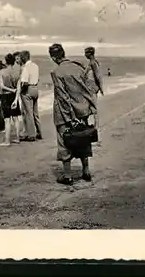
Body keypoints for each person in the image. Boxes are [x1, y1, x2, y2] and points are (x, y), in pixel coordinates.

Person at [49, 44, 97, 185]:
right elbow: (89, 88)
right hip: (83, 109)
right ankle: (86, 171)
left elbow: (63, 97)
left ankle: (68, 175)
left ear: (53, 57)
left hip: (65, 114)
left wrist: (69, 117)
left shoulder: (56, 72)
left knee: (64, 142)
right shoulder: (79, 67)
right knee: (83, 139)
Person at [13, 50, 42, 142]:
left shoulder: (26, 67)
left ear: (23, 58)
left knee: (28, 113)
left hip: (28, 89)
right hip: (35, 88)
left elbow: (24, 82)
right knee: (35, 113)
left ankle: (31, 135)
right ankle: (39, 132)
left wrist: (21, 91)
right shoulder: (35, 66)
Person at [0, 53, 22, 146]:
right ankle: (17, 138)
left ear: (6, 62)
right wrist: (16, 99)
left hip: (5, 96)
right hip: (14, 96)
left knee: (7, 120)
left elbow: (2, 86)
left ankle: (7, 141)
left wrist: (11, 89)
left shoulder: (1, 72)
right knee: (15, 118)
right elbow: (19, 88)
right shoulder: (17, 72)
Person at [84, 46, 105, 145]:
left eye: (86, 53)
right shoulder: (93, 62)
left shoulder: (93, 63)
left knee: (94, 111)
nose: (84, 55)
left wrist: (101, 88)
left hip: (91, 90)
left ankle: (97, 135)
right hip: (90, 90)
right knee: (92, 111)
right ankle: (93, 133)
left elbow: (98, 76)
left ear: (90, 53)